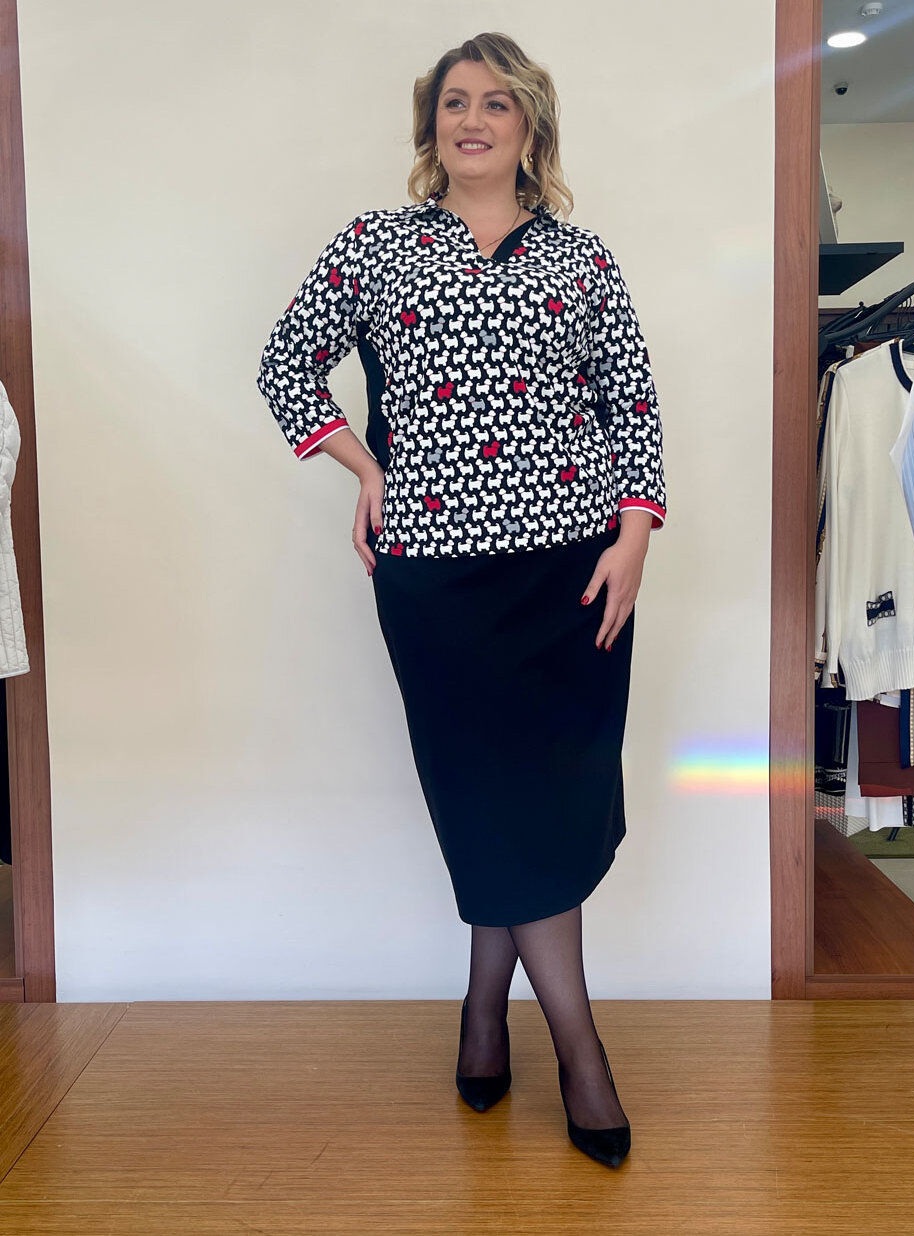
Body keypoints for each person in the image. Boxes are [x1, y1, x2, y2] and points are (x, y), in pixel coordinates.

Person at [257, 31, 667, 1169]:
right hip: (436, 578)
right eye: (454, 103)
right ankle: (581, 1052)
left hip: (574, 575)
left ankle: (485, 1011)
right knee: (487, 796)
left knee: (548, 800)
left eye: (495, 102)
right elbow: (286, 364)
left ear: (531, 124)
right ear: (430, 125)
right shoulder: (378, 245)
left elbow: (630, 403)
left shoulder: (581, 259)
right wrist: (366, 468)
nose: (472, 120)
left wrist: (635, 535)